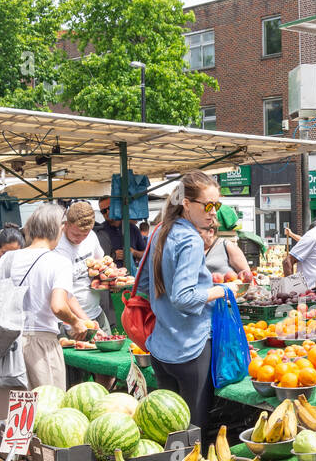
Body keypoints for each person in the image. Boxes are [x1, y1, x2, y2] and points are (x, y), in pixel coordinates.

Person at [0, 204, 96, 428]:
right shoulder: (58, 262)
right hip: (41, 347)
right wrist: (76, 322)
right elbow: (58, 306)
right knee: (46, 423)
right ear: (59, 228)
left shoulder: (7, 259)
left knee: (12, 427)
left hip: (5, 349)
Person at [145, 172, 238, 429]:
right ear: (186, 203)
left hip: (162, 348)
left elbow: (143, 285)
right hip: (190, 349)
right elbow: (183, 298)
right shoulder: (190, 239)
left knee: (167, 430)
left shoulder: (161, 232)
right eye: (208, 205)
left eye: (217, 205)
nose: (213, 213)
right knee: (193, 432)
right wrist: (224, 290)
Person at [57, 202, 114, 334]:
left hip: (97, 312)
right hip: (72, 322)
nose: (81, 239)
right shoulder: (59, 248)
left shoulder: (92, 237)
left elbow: (101, 262)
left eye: (85, 234)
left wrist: (110, 275)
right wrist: (86, 322)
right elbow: (65, 295)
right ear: (66, 224)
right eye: (76, 235)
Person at [96, 196, 147, 267]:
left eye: (110, 208)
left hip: (131, 276)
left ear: (116, 207)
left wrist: (134, 252)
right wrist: (112, 255)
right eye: (103, 211)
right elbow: (94, 259)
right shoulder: (99, 231)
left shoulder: (133, 228)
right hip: (109, 276)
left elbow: (145, 255)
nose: (108, 212)